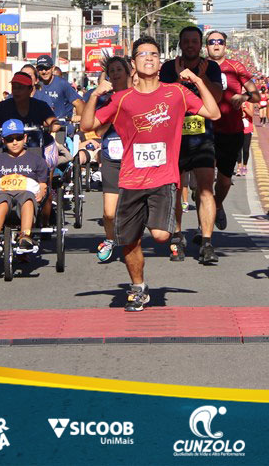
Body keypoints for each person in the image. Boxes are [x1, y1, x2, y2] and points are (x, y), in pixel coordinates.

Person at [85, 36, 220, 310]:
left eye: (154, 54)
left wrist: (196, 80)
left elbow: (214, 112)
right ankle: (138, 287)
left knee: (160, 235)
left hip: (163, 179)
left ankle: (150, 218)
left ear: (160, 63)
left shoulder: (176, 92)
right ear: (133, 64)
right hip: (131, 180)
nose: (149, 57)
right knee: (130, 241)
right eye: (143, 54)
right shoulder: (122, 99)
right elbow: (88, 125)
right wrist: (96, 95)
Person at [159, 26, 223, 264]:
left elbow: (217, 98)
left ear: (200, 45)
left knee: (206, 188)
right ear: (180, 44)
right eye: (185, 41)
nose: (190, 45)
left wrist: (201, 78)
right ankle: (177, 237)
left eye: (194, 41)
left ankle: (206, 242)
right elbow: (164, 98)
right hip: (175, 138)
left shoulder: (211, 67)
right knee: (176, 189)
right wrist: (178, 78)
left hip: (203, 137)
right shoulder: (168, 68)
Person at [205, 30, 260, 232]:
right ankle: (205, 228)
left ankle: (217, 204)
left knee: (225, 180)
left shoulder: (236, 67)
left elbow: (256, 95)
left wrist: (244, 97)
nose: (216, 45)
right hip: (206, 131)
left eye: (220, 41)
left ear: (225, 45)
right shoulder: (200, 67)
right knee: (204, 179)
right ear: (206, 46)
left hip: (231, 130)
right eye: (212, 42)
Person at [78, 57, 132, 263]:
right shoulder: (104, 100)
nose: (116, 74)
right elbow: (96, 130)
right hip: (111, 157)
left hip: (134, 159)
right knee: (109, 213)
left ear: (128, 73)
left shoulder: (136, 96)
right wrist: (108, 105)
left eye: (119, 69)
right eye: (112, 71)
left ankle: (131, 244)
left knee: (131, 210)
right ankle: (110, 239)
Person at [0, 119, 50, 254]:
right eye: (10, 139)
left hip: (26, 191)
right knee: (2, 200)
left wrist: (41, 192)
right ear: (3, 141)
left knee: (28, 199)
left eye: (18, 138)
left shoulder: (36, 160)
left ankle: (25, 236)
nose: (15, 142)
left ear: (25, 138)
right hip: (2, 191)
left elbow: (42, 183)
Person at [33, 54, 83, 123]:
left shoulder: (62, 83)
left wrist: (79, 118)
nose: (44, 71)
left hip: (62, 125)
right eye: (41, 69)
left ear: (53, 68)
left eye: (47, 68)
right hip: (42, 125)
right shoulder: (36, 84)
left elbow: (78, 103)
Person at [238, 100, 254, 176]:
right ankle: (239, 167)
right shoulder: (238, 101)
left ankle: (244, 166)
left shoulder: (249, 102)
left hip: (247, 129)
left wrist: (244, 108)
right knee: (238, 149)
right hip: (238, 128)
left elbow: (251, 114)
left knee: (246, 149)